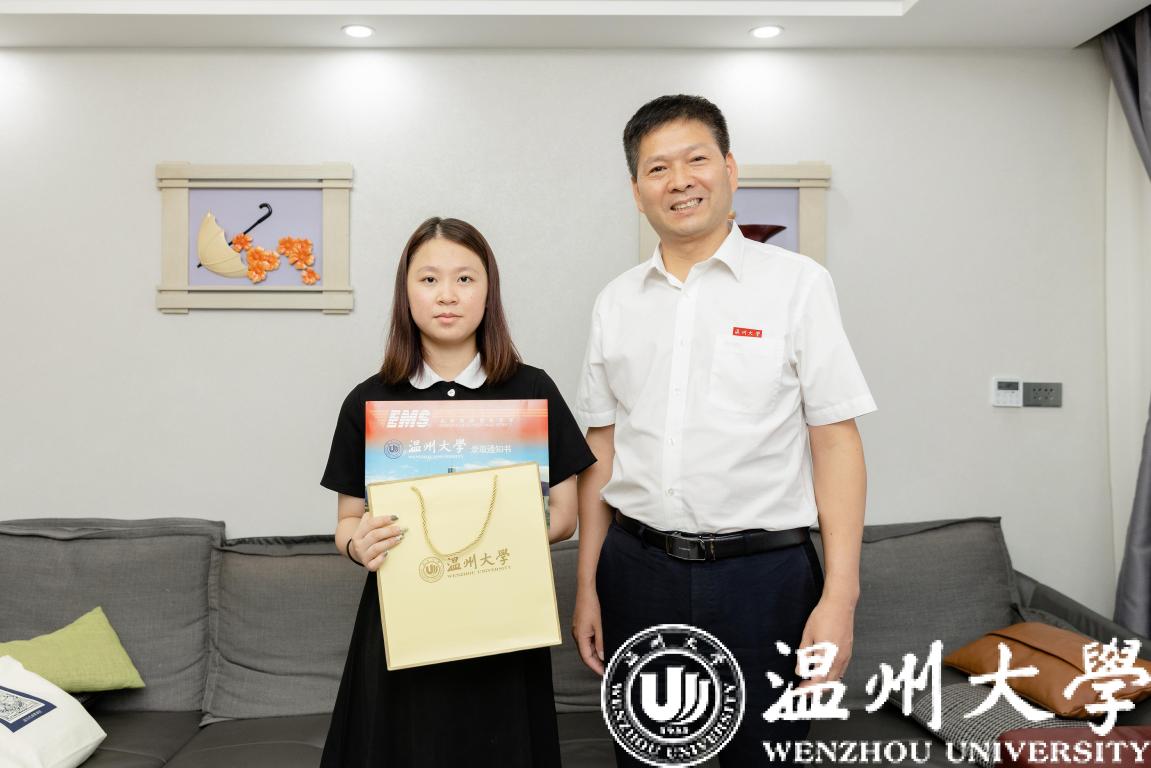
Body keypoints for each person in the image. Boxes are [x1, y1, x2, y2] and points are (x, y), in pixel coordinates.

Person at [572, 94, 876, 764]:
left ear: (730, 170)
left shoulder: (798, 285)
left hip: (765, 580)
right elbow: (602, 448)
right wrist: (588, 583)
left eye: (696, 160)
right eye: (657, 169)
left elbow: (835, 442)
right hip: (636, 571)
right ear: (636, 192)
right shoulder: (615, 302)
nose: (679, 181)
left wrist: (840, 597)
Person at [320, 216, 595, 768]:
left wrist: (500, 532)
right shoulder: (369, 400)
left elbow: (566, 512)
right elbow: (347, 523)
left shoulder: (531, 389)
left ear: (489, 291)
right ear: (406, 293)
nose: (447, 295)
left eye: (465, 279)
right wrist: (358, 543)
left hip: (503, 617)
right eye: (429, 279)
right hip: (401, 623)